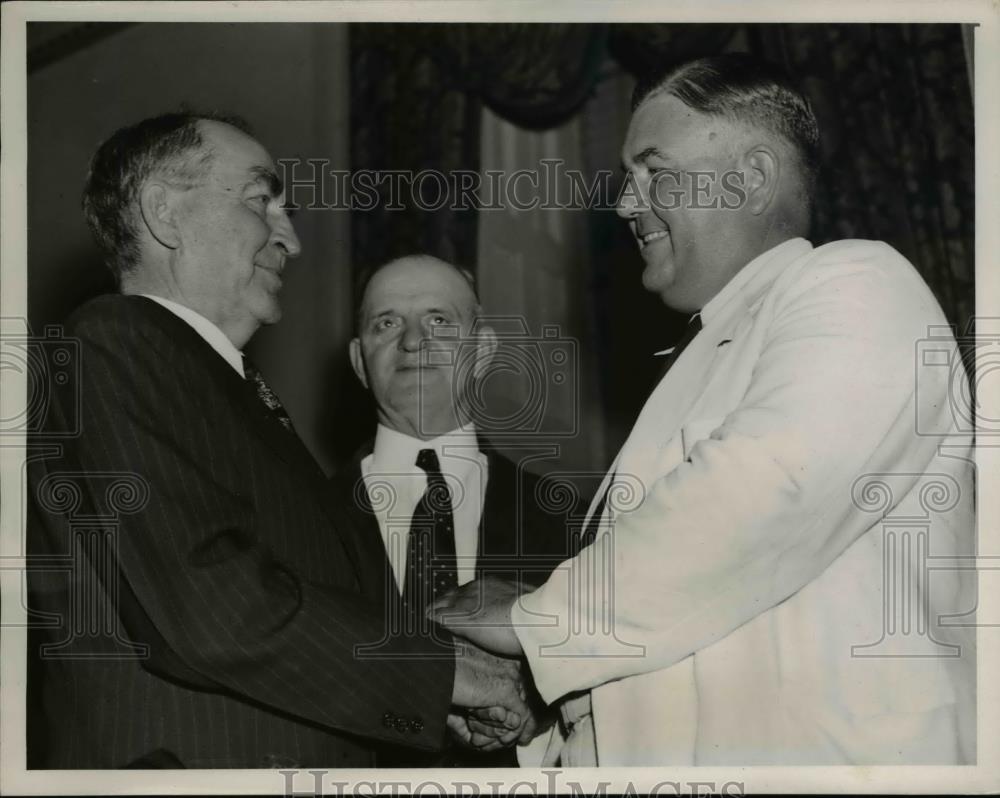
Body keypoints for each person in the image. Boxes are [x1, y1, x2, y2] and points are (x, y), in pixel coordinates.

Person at [432, 53, 976, 766]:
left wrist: (535, 622)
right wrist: (540, 708)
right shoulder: (706, 356)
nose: (627, 205)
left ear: (750, 178)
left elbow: (763, 494)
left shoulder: (859, 281)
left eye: (654, 172)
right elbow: (686, 614)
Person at [26, 112, 530, 768]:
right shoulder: (115, 341)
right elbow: (212, 605)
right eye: (262, 200)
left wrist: (441, 703)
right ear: (164, 214)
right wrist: (438, 674)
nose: (289, 238)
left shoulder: (220, 387)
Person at [335, 254, 574, 765]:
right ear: (359, 361)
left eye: (439, 321)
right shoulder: (298, 513)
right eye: (387, 322)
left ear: (483, 349)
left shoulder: (570, 521)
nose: (414, 341)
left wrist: (540, 704)